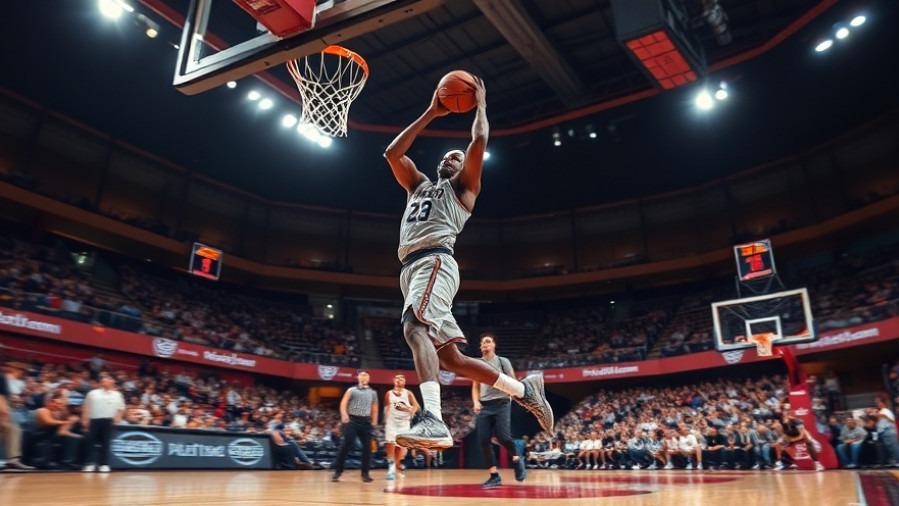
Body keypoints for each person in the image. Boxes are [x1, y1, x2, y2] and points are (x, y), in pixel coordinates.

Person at [384, 76, 553, 450]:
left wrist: (481, 106)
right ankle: (524, 389)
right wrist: (432, 110)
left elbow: (478, 142)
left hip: (435, 263)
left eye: (457, 158)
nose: (451, 157)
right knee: (453, 359)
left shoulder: (464, 189)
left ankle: (433, 420)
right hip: (412, 269)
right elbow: (392, 154)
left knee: (414, 328)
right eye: (447, 156)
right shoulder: (418, 185)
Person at [471, 335, 526, 487]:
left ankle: (516, 457)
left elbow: (513, 381)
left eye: (488, 341)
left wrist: (514, 392)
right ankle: (494, 475)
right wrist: (476, 402)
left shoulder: (503, 361)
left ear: (494, 345)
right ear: (480, 347)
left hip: (502, 403)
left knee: (504, 437)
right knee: (483, 440)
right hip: (485, 405)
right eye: (482, 342)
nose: (484, 344)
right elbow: (475, 386)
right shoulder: (477, 364)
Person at [332, 371, 378, 483]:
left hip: (366, 421)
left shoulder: (373, 393)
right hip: (352, 420)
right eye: (362, 375)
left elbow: (374, 407)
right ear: (358, 378)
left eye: (366, 375)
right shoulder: (351, 390)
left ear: (369, 378)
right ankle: (338, 471)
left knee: (367, 448)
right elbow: (343, 403)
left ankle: (365, 473)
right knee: (346, 445)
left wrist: (375, 420)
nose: (364, 377)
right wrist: (344, 415)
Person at [82, 373, 125, 473]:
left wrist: (118, 417)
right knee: (91, 442)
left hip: (108, 420)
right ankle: (90, 463)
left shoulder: (117, 394)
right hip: (93, 419)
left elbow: (121, 408)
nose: (104, 380)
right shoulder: (92, 393)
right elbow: (86, 407)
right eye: (103, 379)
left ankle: (104, 464)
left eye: (107, 378)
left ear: (112, 382)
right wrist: (84, 419)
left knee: (106, 443)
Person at [383, 374, 419, 480]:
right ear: (394, 381)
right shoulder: (388, 394)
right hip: (392, 422)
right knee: (390, 444)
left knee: (399, 447)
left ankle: (397, 466)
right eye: (397, 378)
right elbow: (387, 406)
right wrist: (387, 415)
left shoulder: (408, 393)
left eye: (402, 378)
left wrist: (411, 410)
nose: (399, 380)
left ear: (405, 382)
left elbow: (416, 405)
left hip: (404, 423)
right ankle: (391, 468)